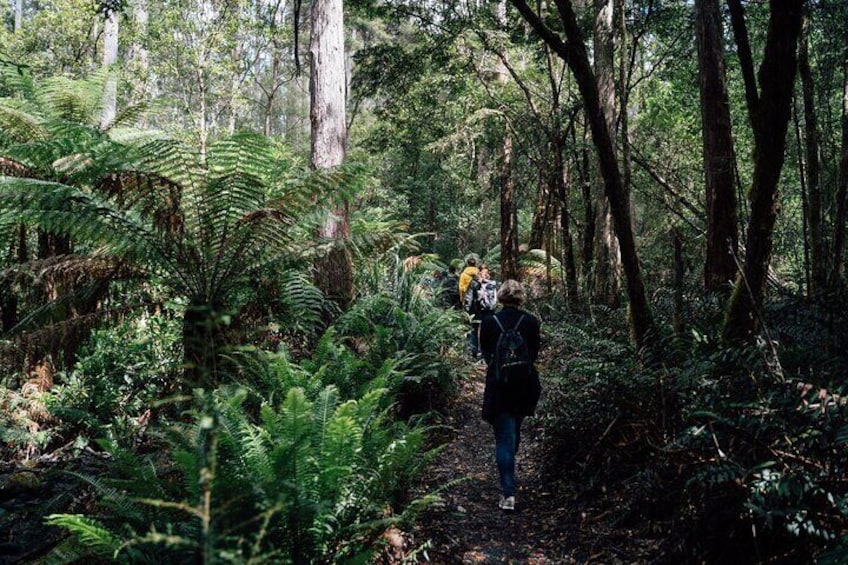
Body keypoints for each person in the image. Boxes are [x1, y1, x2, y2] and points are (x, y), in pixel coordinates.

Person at [479, 279, 541, 512]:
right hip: (525, 386)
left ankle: (508, 494)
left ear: (501, 297)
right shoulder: (532, 321)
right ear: (521, 297)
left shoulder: (488, 322)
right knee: (513, 433)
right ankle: (509, 484)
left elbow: (485, 354)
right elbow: (534, 353)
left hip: (499, 385)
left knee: (505, 438)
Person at [458, 257, 480, 356]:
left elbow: (461, 289)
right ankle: (478, 350)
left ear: (467, 264)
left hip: (468, 304)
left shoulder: (464, 274)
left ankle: (469, 349)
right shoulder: (479, 273)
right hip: (480, 304)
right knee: (477, 327)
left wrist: (462, 300)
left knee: (467, 326)